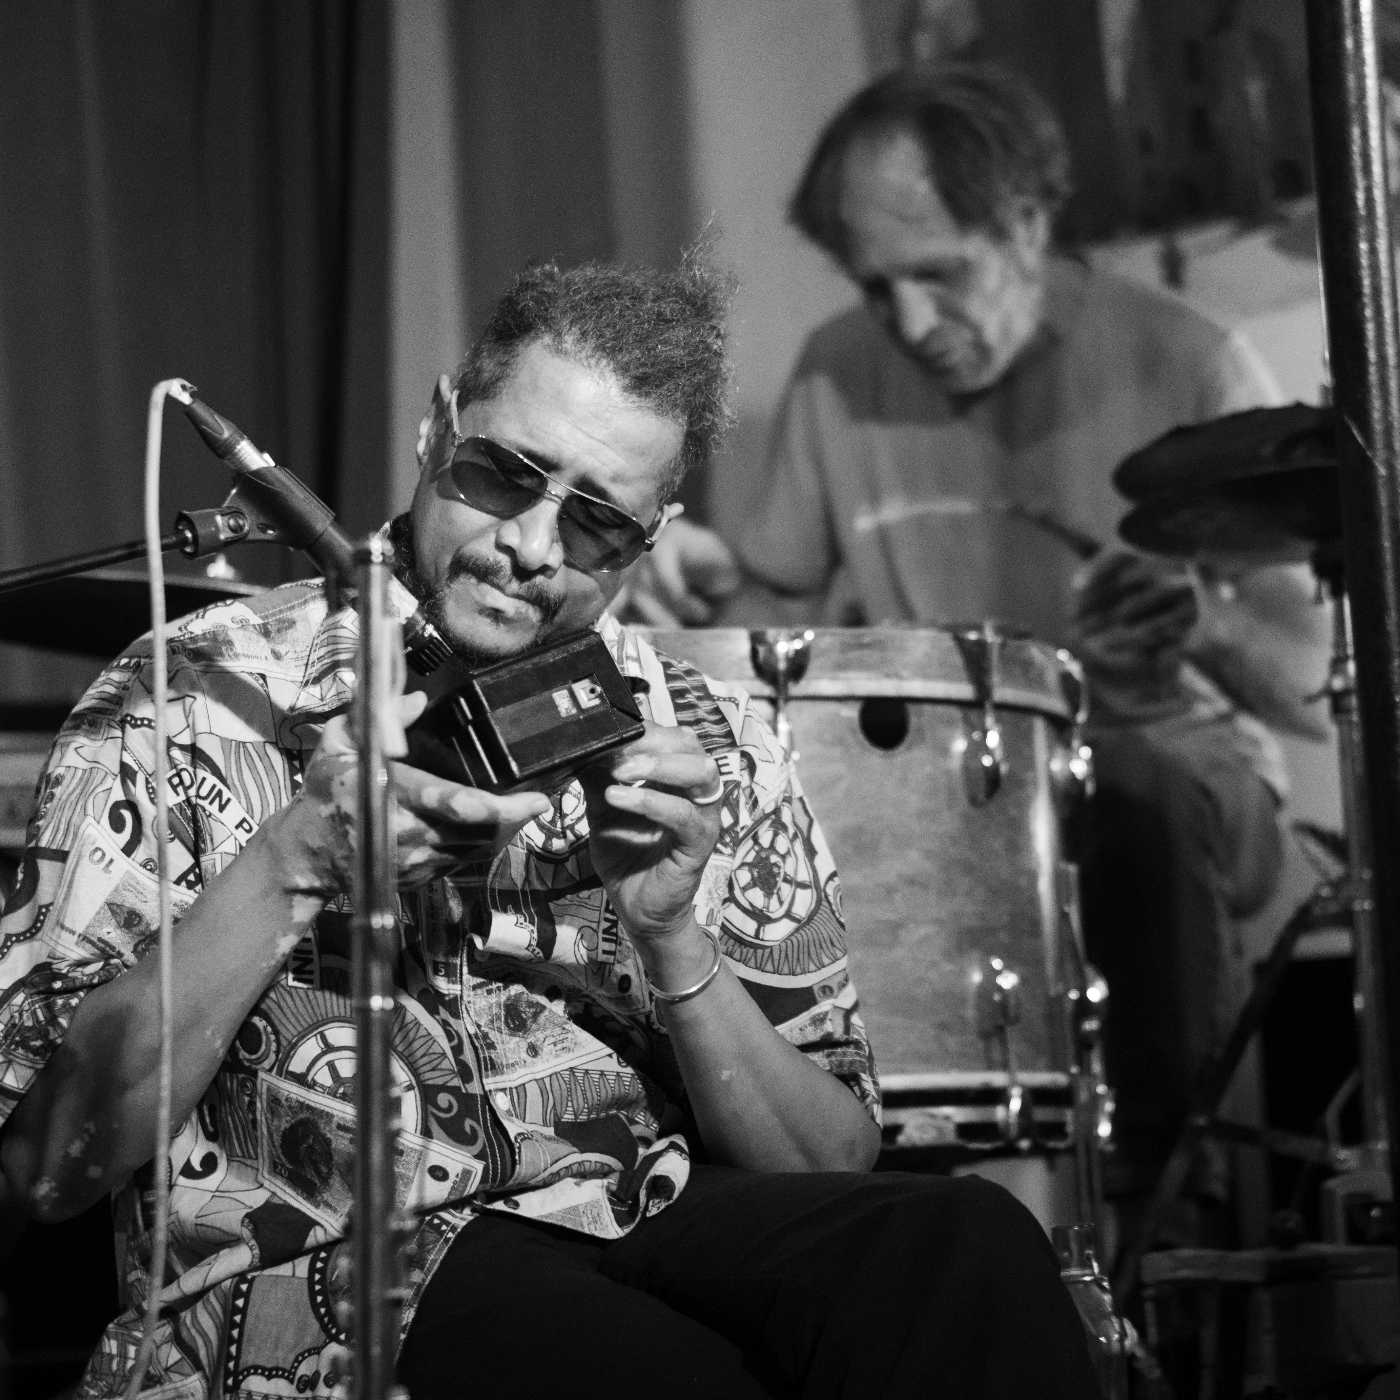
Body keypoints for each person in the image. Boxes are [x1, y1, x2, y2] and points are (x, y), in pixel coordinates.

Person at [0, 255, 1098, 1399]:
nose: (530, 544)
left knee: (964, 1245)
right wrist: (294, 859)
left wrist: (671, 935)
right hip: (337, 1262)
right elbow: (45, 1162)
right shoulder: (193, 696)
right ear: (437, 425)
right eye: (502, 474)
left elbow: (828, 1156)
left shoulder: (709, 735)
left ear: (651, 535)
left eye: (595, 522)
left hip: (641, 1203)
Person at [630, 64, 1330, 1248]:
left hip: (1166, 764)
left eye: (938, 274)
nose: (907, 323)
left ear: (1026, 222)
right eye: (875, 284)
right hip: (943, 787)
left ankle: (1163, 1226)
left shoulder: (1181, 357)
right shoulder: (837, 373)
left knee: (1132, 793)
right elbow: (773, 609)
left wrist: (1202, 619)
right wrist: (698, 587)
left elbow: (1313, 684)